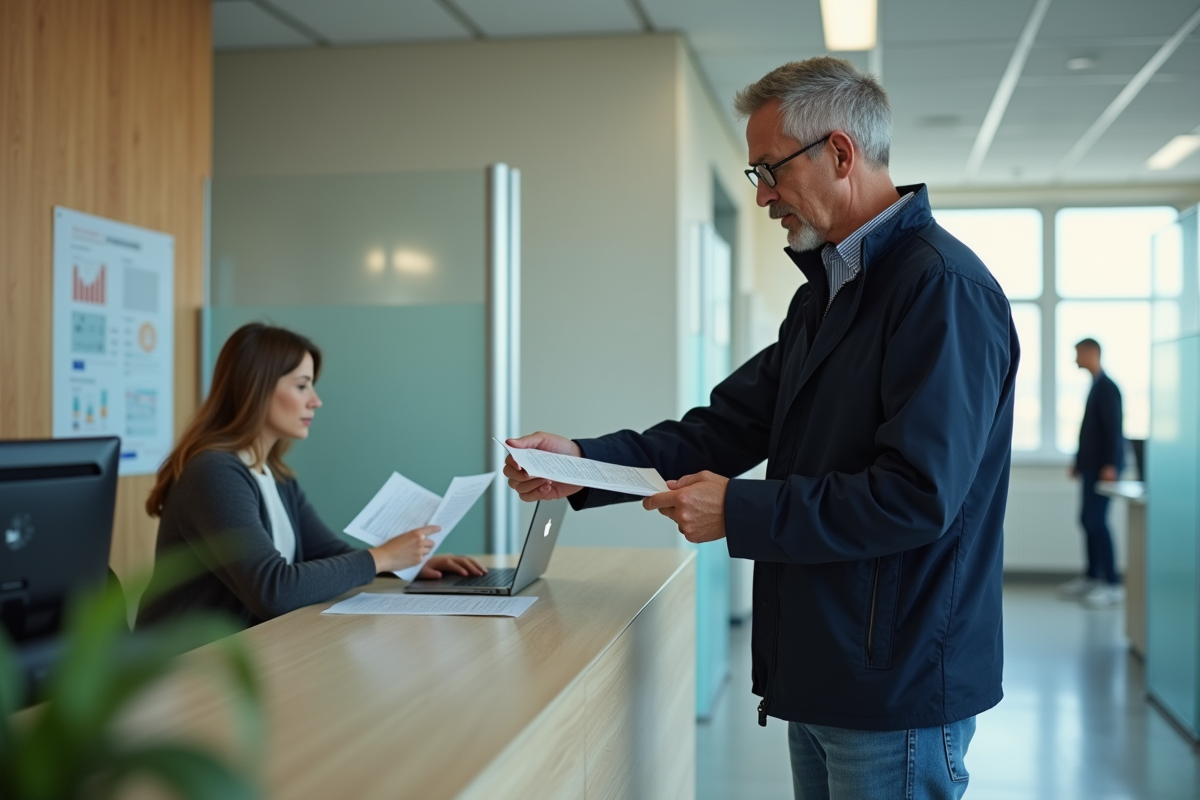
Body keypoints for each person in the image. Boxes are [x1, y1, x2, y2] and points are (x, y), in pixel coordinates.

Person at [503, 57, 1019, 800]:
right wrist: (581, 462)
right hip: (825, 664)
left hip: (894, 681)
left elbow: (916, 495)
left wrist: (738, 510)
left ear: (840, 153)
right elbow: (724, 428)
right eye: (756, 176)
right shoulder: (826, 296)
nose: (764, 196)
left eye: (769, 169)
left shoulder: (940, 289)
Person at [138, 323, 484, 628]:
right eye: (302, 386)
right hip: (184, 671)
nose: (315, 401)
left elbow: (327, 553)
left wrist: (404, 566)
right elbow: (273, 589)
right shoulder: (214, 472)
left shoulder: (274, 475)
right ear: (255, 389)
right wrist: (383, 557)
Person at [1060, 337, 1125, 608]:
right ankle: (1092, 576)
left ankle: (1111, 584)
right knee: (1087, 520)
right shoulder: (1095, 386)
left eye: (1078, 354)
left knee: (1097, 521)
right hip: (1090, 466)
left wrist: (1111, 464)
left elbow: (1113, 430)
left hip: (1103, 469)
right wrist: (1078, 460)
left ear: (1090, 352)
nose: (1075, 360)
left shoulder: (1108, 388)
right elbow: (1089, 430)